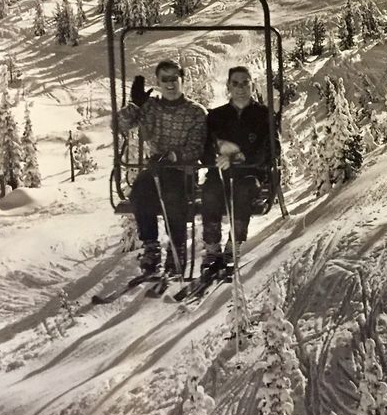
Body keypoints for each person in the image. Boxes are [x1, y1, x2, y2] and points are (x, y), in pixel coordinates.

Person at [117, 59, 206, 276]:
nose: (170, 84)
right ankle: (151, 248)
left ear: (182, 80)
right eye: (164, 79)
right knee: (139, 191)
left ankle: (177, 250)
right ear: (158, 82)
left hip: (182, 170)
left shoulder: (195, 112)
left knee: (173, 195)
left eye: (174, 78)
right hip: (156, 167)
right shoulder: (150, 108)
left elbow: (197, 146)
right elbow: (121, 125)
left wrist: (175, 156)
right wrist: (135, 105)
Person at [200, 66, 277, 271]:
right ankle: (212, 246)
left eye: (245, 82)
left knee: (243, 191)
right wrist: (216, 156)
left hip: (250, 172)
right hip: (221, 173)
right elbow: (205, 148)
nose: (240, 87)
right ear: (228, 86)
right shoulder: (217, 116)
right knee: (210, 191)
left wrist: (243, 157)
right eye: (235, 83)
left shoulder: (263, 115)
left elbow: (272, 147)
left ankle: (234, 243)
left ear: (252, 84)